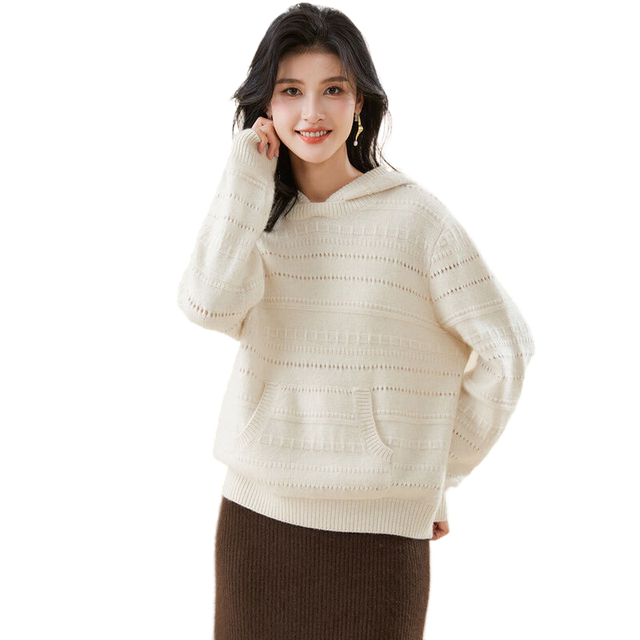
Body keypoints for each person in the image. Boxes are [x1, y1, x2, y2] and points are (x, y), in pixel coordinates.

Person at [176, 3, 535, 639]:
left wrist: (438, 472)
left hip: (379, 539)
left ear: (359, 102)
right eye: (291, 91)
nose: (311, 112)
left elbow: (507, 349)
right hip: (256, 523)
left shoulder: (418, 221)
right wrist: (245, 175)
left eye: (333, 90)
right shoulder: (257, 219)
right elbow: (206, 305)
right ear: (266, 106)